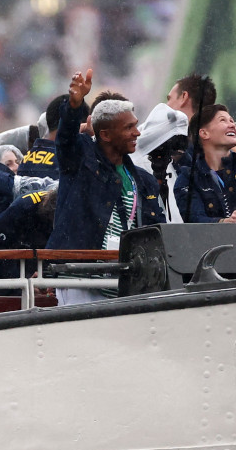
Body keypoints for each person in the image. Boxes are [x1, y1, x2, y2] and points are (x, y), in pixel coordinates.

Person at [47, 70, 166, 301]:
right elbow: (66, 139)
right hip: (79, 280)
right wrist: (74, 105)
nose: (137, 132)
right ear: (106, 135)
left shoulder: (143, 180)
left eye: (136, 125)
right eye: (129, 128)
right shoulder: (80, 161)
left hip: (126, 282)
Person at [175, 103, 236, 224]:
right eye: (223, 120)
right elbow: (194, 220)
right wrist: (224, 222)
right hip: (215, 243)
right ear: (204, 133)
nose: (232, 125)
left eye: (232, 121)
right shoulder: (188, 178)